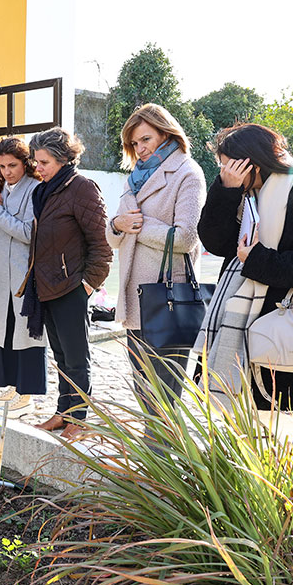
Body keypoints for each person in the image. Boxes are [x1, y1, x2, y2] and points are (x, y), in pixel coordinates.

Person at [193, 123, 293, 413]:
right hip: (238, 326)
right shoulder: (240, 193)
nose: (223, 171)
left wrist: (258, 260)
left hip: (289, 329)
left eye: (227, 165)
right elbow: (215, 242)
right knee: (237, 424)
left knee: (281, 427)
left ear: (251, 162)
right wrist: (224, 192)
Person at [106, 103, 205, 404]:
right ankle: (154, 452)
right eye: (134, 143)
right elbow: (115, 236)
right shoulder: (134, 178)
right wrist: (117, 224)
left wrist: (138, 225)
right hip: (135, 301)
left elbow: (186, 237)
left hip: (167, 301)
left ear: (165, 133)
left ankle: (162, 452)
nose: (139, 149)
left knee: (163, 400)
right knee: (145, 398)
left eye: (145, 139)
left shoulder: (187, 173)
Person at [19, 127, 112, 439]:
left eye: (43, 162)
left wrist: (86, 285)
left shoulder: (82, 188)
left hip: (71, 287)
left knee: (76, 357)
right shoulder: (43, 191)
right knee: (60, 357)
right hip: (47, 286)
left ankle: (80, 420)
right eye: (36, 161)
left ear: (62, 159)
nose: (37, 167)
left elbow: (102, 245)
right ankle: (63, 413)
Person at [0, 138, 45, 417]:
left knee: (26, 332)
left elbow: (29, 234)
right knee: (5, 330)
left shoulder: (35, 189)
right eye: (2, 166)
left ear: (25, 163)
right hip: (3, 274)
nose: (7, 171)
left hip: (26, 274)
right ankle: (13, 387)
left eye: (13, 165)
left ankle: (27, 394)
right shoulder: (2, 188)